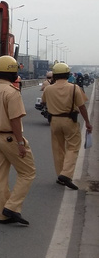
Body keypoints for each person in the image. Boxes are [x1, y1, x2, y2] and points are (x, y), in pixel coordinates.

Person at [0, 55, 36, 226]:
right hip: (9, 138)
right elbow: (15, 119)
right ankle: (12, 207)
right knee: (27, 172)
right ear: (12, 73)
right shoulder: (12, 92)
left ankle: (3, 214)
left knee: (0, 177)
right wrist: (20, 143)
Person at [41, 62, 93, 190]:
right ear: (68, 74)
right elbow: (81, 107)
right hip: (69, 120)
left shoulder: (48, 88)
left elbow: (43, 102)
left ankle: (60, 176)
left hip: (54, 121)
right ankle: (66, 174)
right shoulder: (74, 88)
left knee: (58, 149)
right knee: (73, 147)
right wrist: (87, 122)